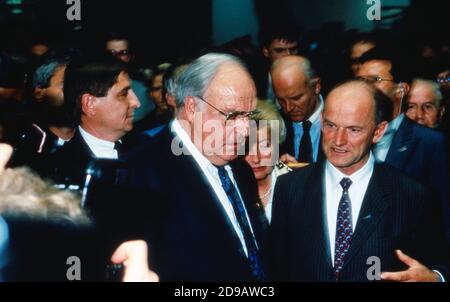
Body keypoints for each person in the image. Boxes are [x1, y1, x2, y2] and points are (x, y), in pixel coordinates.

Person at [269, 80, 450, 282]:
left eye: (353, 130)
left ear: (378, 131)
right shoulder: (289, 187)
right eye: (330, 125)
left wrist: (436, 277)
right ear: (321, 120)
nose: (338, 140)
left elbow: (441, 263)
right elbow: (277, 267)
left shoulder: (412, 194)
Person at [127, 53, 267, 281]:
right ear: (192, 107)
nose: (244, 130)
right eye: (232, 116)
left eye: (249, 116)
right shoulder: (141, 174)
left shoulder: (241, 171)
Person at [357, 47, 450, 240]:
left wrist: (439, 270)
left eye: (375, 80)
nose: (364, 89)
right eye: (360, 81)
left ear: (401, 89)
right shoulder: (347, 135)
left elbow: (444, 213)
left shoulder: (430, 143)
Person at [45, 56, 140, 185]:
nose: (136, 103)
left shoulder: (150, 151)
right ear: (90, 104)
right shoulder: (56, 169)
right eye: (123, 94)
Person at [11, 56, 75, 172]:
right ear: (39, 92)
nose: (76, 92)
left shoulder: (99, 138)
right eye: (66, 85)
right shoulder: (23, 139)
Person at [271, 55, 324, 164]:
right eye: (281, 100)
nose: (288, 108)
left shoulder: (344, 119)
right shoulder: (268, 123)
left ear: (316, 86)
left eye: (295, 98)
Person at [245, 100, 289, 223]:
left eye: (265, 145)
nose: (256, 158)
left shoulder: (297, 187)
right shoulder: (228, 188)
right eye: (247, 148)